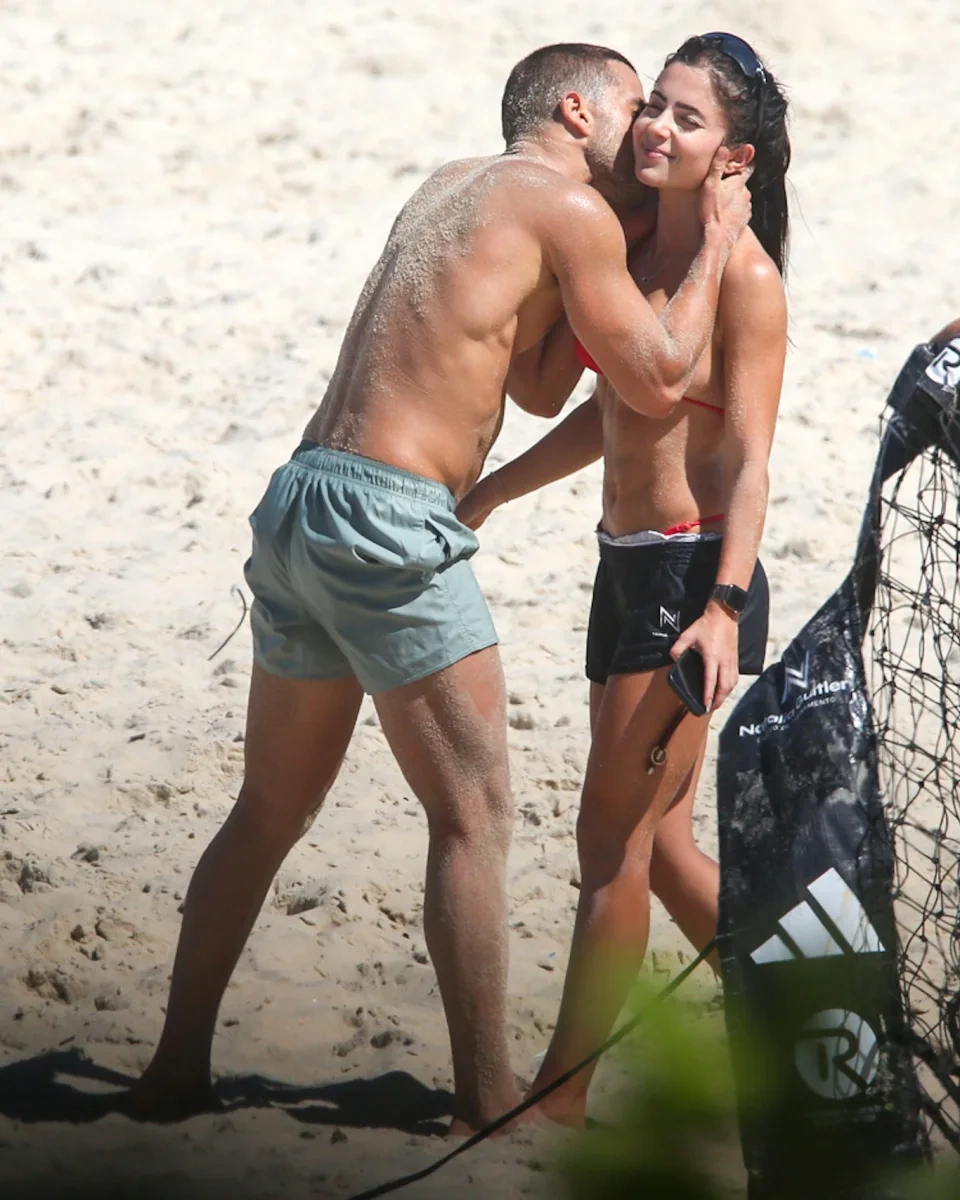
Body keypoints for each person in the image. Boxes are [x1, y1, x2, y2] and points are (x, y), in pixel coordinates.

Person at [124, 42, 752, 1135]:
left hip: (302, 500)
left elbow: (538, 380)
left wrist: (622, 251)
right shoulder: (567, 208)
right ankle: (487, 1101)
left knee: (268, 809)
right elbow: (655, 377)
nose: (648, 129)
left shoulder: (455, 185)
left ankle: (174, 1070)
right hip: (389, 520)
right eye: (634, 107)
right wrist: (713, 248)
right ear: (576, 111)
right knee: (474, 816)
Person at [457, 32, 790, 1127]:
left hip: (692, 582)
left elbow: (751, 463)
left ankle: (558, 1101)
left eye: (688, 119)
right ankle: (807, 1018)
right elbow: (611, 414)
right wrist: (496, 490)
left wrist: (725, 610)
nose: (656, 128)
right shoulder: (634, 244)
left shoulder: (746, 280)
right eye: (657, 106)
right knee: (667, 848)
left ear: (734, 158)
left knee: (612, 850)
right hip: (624, 568)